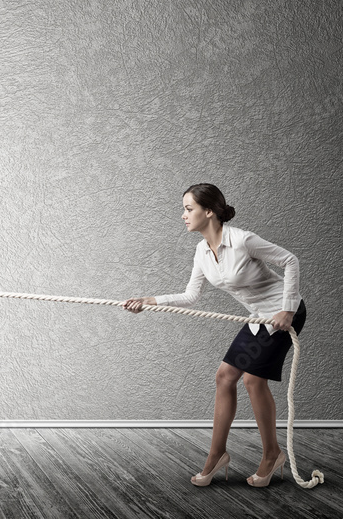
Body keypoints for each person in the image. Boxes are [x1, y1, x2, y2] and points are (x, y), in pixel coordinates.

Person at [123, 183, 305, 488]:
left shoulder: (243, 240)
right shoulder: (201, 251)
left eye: (188, 208)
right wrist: (149, 301)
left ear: (209, 211)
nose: (183, 215)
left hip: (283, 315)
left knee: (251, 379)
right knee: (224, 377)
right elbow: (191, 295)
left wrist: (287, 309)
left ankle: (273, 454)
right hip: (257, 317)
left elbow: (290, 261)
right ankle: (217, 454)